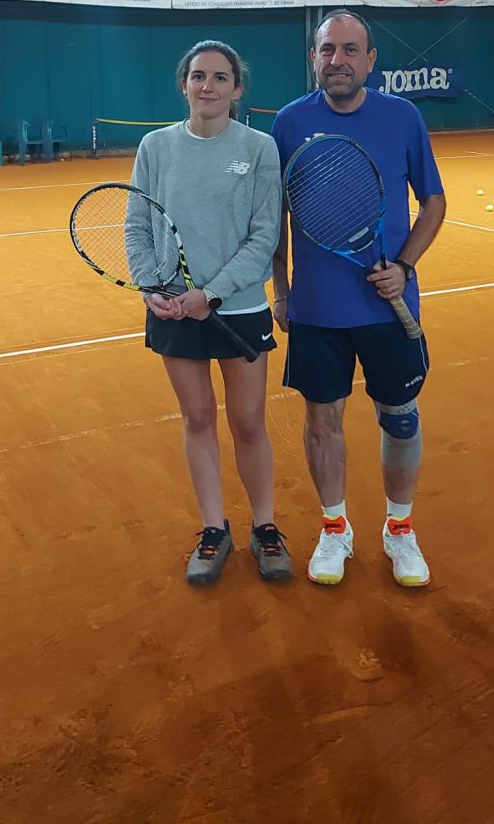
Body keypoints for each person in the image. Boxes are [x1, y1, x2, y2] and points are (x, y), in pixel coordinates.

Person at [271, 11, 446, 587]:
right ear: (314, 58)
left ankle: (400, 529)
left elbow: (434, 202)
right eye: (328, 50)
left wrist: (404, 266)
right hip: (317, 309)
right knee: (322, 419)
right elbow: (275, 218)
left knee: (400, 418)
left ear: (371, 60)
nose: (337, 60)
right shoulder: (289, 122)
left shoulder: (403, 117)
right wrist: (281, 290)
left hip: (388, 305)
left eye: (350, 50)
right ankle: (334, 528)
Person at [128, 40, 292, 586]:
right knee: (197, 418)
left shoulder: (260, 148)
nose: (208, 86)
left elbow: (265, 235)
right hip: (173, 310)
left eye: (221, 77)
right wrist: (151, 286)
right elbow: (136, 225)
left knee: (248, 421)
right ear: (184, 85)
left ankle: (265, 527)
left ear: (237, 89)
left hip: (238, 309)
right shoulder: (155, 147)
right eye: (198, 76)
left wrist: (212, 294)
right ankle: (213, 529)